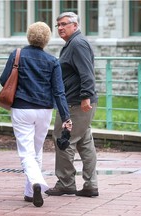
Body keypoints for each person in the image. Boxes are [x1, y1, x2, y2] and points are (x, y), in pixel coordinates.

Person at [0, 22, 72, 207]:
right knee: (37, 149)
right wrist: (66, 117)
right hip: (44, 111)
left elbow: (3, 80)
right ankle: (30, 193)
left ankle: (36, 182)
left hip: (22, 109)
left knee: (26, 152)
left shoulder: (17, 55)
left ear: (28, 36)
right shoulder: (52, 61)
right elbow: (59, 91)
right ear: (46, 39)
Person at [45, 12, 99, 197]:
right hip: (76, 101)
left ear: (75, 26)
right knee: (84, 142)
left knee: (63, 139)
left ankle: (66, 183)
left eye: (64, 24)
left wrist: (86, 97)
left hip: (76, 103)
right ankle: (91, 184)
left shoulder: (77, 44)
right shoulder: (72, 44)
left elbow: (87, 73)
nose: (60, 28)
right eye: (58, 25)